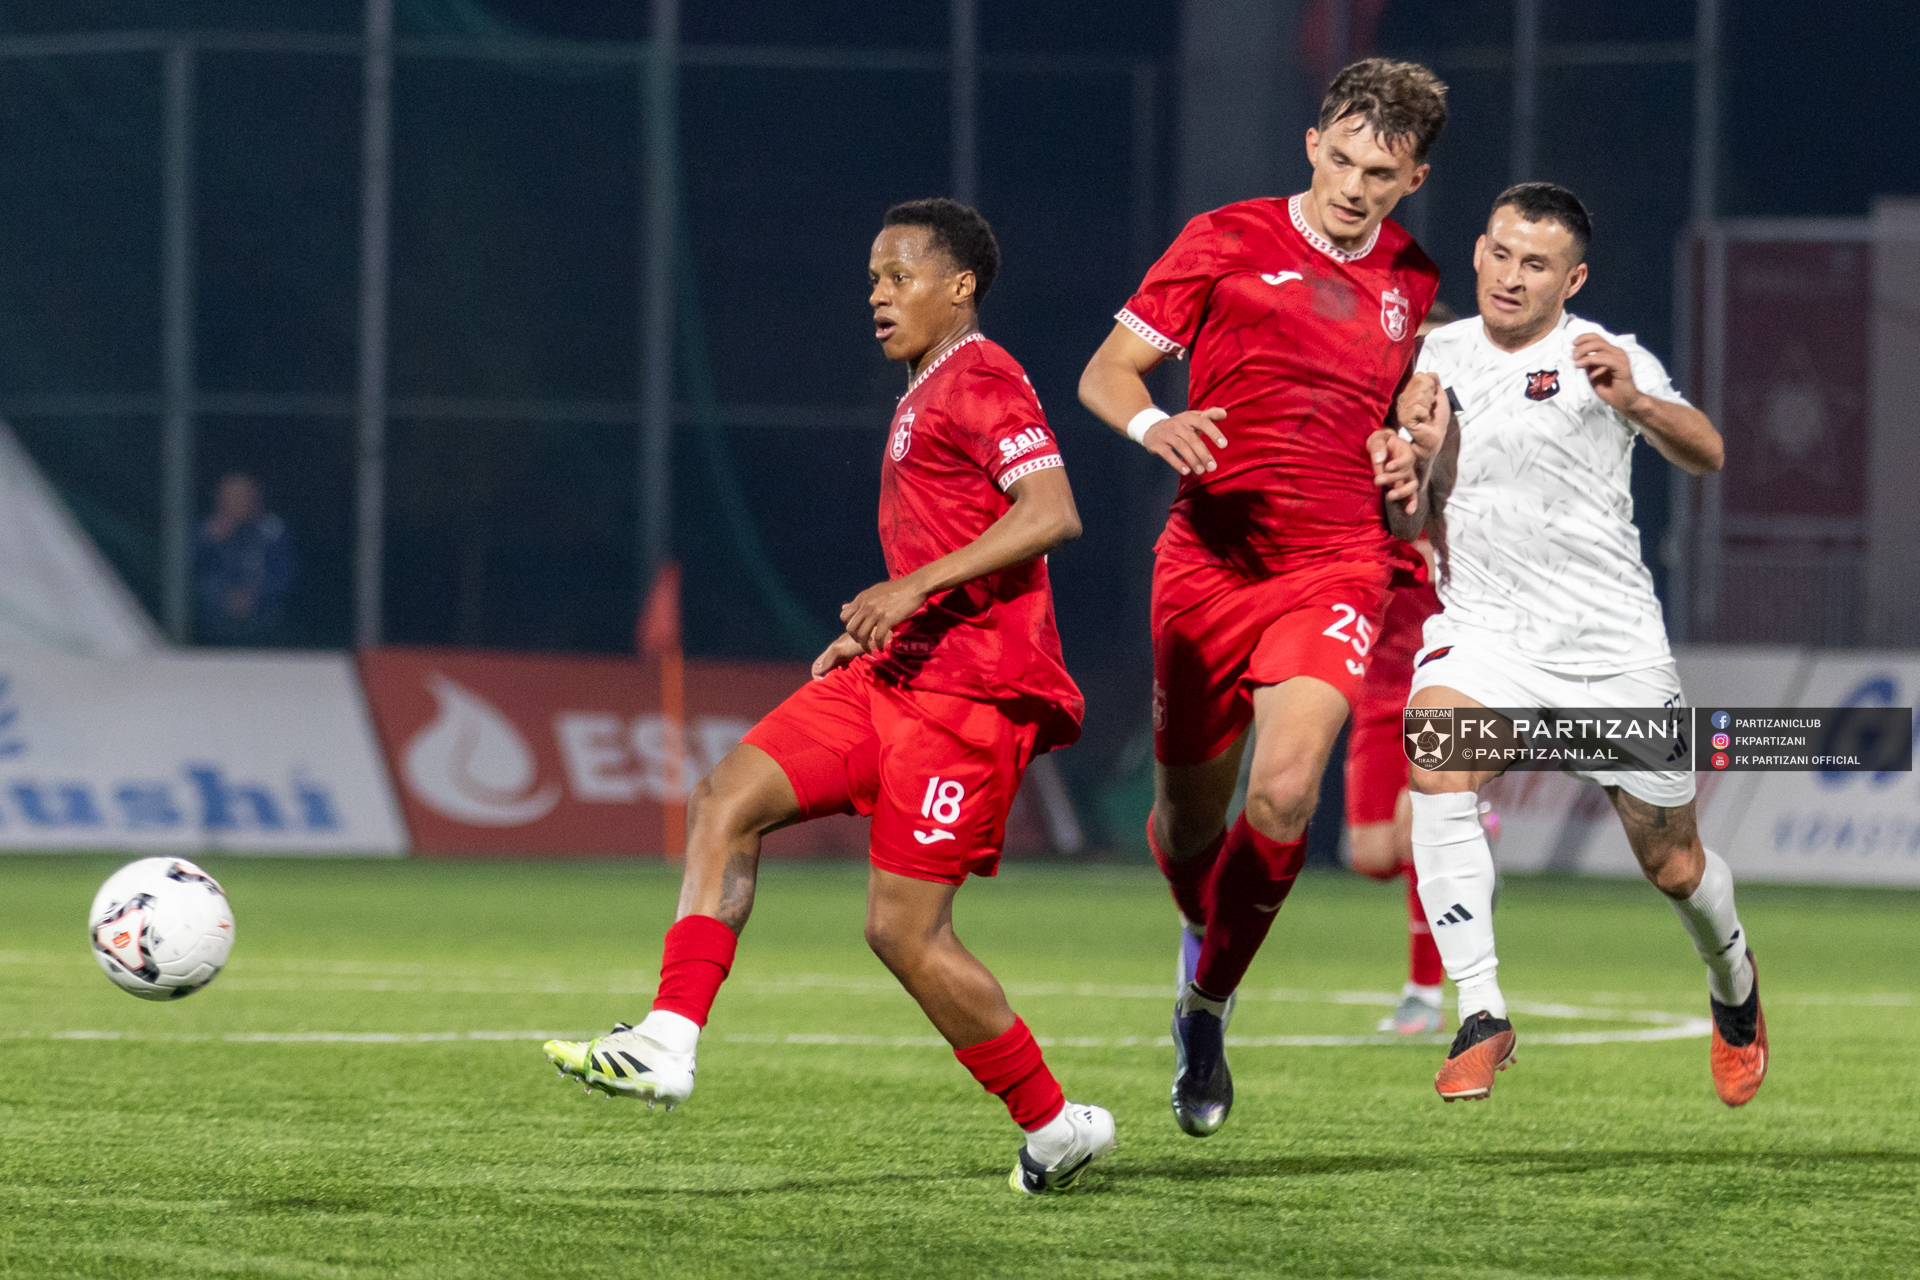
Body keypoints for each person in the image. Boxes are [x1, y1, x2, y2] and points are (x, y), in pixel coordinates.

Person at [544, 199, 1116, 1194]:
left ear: (960, 286)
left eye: (900, 277)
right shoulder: (925, 386)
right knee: (726, 796)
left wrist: (911, 588)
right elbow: (955, 531)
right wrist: (877, 621)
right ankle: (669, 1038)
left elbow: (1053, 512)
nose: (879, 297)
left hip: (969, 697)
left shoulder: (984, 375)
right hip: (892, 674)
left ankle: (1055, 1124)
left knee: (903, 933)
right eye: (873, 280)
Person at [1078, 58, 1447, 1137]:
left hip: (1335, 564)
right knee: (1187, 824)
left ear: (1413, 178)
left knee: (1283, 800)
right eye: (1343, 160)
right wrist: (1157, 425)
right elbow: (1107, 373)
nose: (1355, 187)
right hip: (1208, 564)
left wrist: (1410, 458)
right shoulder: (1224, 238)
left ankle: (1205, 1008)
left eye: (1380, 173)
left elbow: (1405, 428)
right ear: (1312, 144)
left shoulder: (1414, 280)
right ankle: (1206, 938)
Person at [1396, 182, 1766, 1107]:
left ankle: (1734, 982)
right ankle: (1480, 1012)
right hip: (1486, 636)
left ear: (1573, 280)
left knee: (1674, 864)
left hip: (1611, 650)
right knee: (1435, 755)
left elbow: (1708, 450)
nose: (1511, 276)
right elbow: (1409, 519)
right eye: (1500, 254)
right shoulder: (1431, 360)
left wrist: (1636, 400)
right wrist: (1415, 465)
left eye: (1537, 264)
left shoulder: (1605, 355)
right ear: (1477, 252)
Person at [1344, 301, 1453, 1036]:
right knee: (1372, 855)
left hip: (1452, 669)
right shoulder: (1367, 449)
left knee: (1424, 819)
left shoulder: (1469, 454)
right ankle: (1477, 838)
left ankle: (1424, 992)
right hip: (1379, 680)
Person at [195, 472, 294, 645]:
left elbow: (284, 574)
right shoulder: (203, 533)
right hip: (212, 629)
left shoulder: (272, 531)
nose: (238, 502)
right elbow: (191, 579)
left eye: (243, 495)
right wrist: (209, 543)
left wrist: (256, 596)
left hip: (265, 624)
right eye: (231, 496)